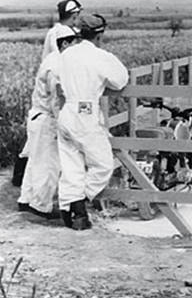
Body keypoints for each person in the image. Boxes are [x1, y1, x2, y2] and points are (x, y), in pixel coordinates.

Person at [55, 13, 128, 230]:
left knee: (71, 165)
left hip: (67, 111)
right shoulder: (100, 56)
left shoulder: (67, 54)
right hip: (86, 112)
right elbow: (120, 80)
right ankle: (78, 204)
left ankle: (71, 211)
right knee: (103, 163)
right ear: (100, 34)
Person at [17, 29, 79, 220]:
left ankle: (26, 199)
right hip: (47, 119)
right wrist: (63, 121)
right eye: (73, 43)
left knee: (35, 161)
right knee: (49, 164)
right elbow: (55, 99)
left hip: (37, 117)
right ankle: (41, 206)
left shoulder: (51, 59)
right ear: (65, 44)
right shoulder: (56, 66)